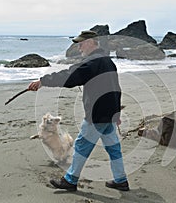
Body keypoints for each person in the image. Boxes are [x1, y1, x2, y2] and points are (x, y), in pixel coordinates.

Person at [28, 30, 129, 191]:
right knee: (113, 148)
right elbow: (116, 89)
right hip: (108, 114)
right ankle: (121, 180)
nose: (79, 47)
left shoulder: (92, 62)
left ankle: (70, 180)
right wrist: (116, 113)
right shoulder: (108, 62)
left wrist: (43, 81)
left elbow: (69, 76)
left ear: (91, 42)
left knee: (82, 145)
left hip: (97, 114)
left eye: (81, 43)